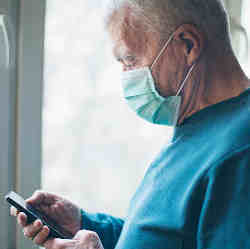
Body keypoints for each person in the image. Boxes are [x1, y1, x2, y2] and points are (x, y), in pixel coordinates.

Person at [11, 0, 250, 248]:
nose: (126, 76)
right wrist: (85, 224)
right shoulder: (200, 128)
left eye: (130, 60)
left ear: (187, 45)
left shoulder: (240, 153)